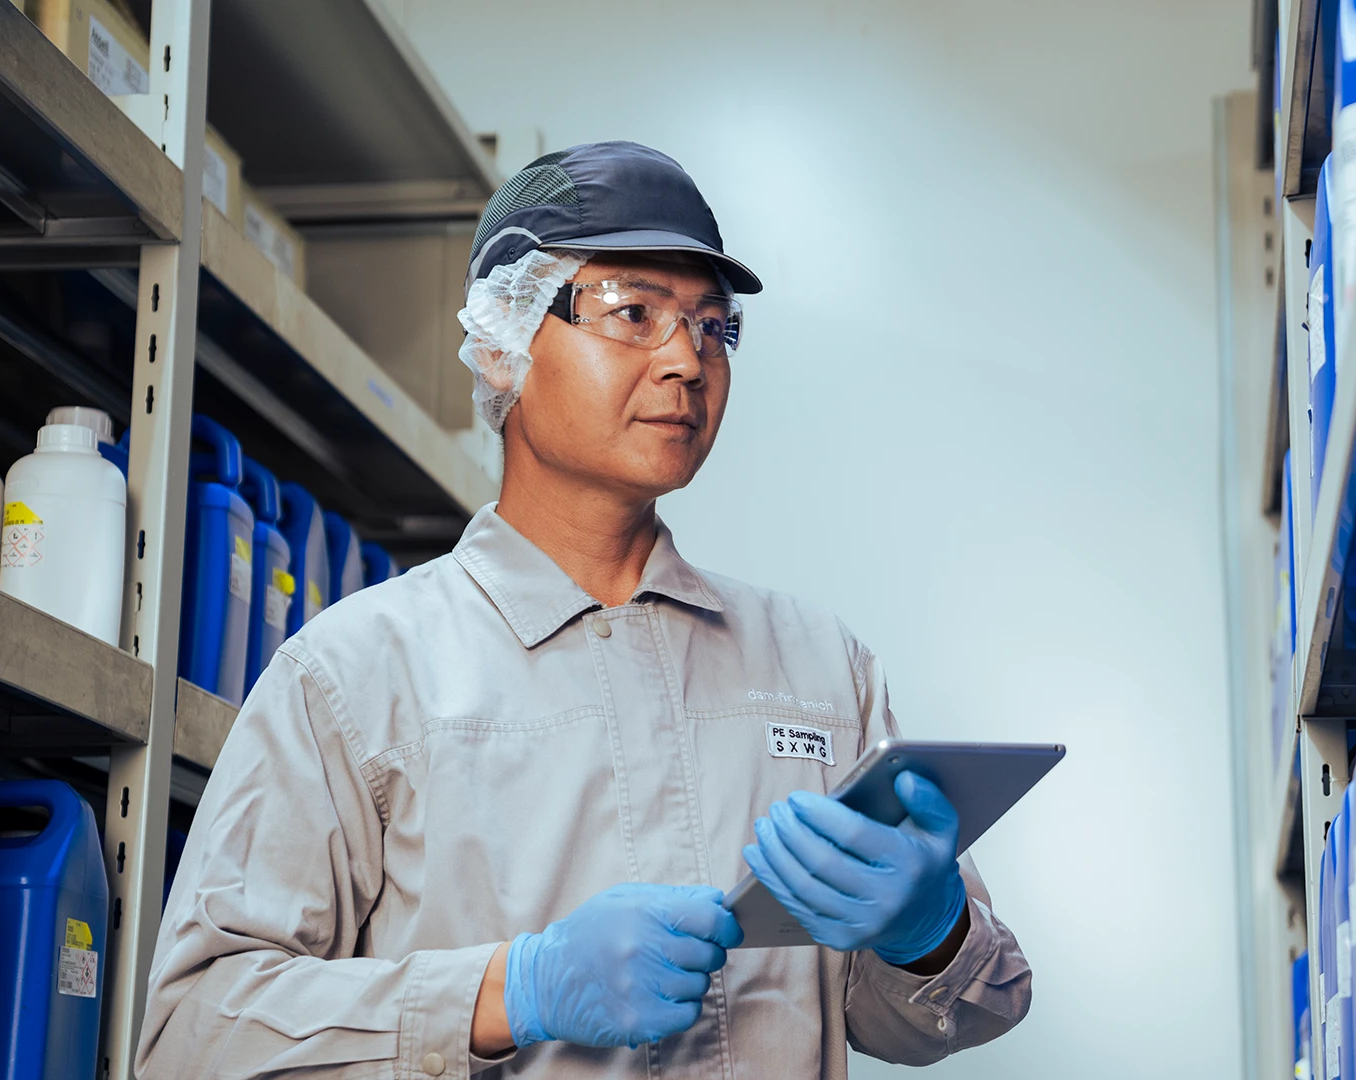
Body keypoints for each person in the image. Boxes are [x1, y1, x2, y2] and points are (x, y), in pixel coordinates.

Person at [139, 141, 1031, 1079]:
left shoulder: (820, 670)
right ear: (503, 340)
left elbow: (958, 1011)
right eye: (634, 313)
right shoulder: (355, 675)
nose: (688, 360)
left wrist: (928, 933)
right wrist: (509, 991)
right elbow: (193, 1036)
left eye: (714, 327)